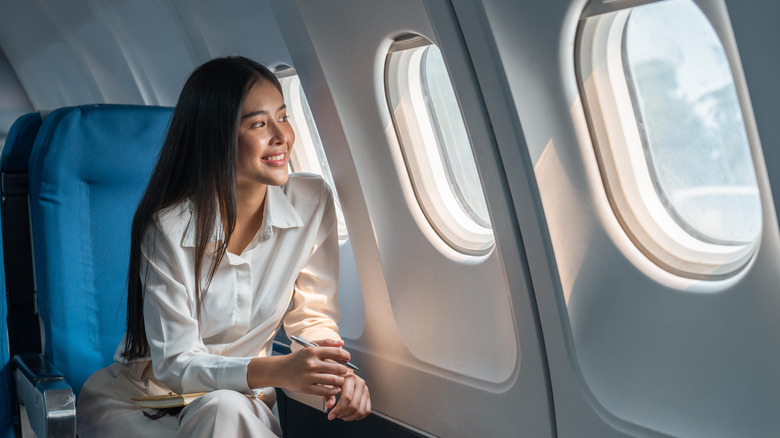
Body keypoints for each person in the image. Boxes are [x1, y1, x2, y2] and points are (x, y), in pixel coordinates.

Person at [76, 56, 371, 437]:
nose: (281, 136)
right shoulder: (167, 229)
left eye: (283, 117)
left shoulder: (312, 201)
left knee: (225, 409)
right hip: (147, 403)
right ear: (218, 137)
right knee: (223, 410)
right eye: (259, 124)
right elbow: (176, 362)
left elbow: (312, 317)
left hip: (238, 403)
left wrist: (335, 375)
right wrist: (277, 371)